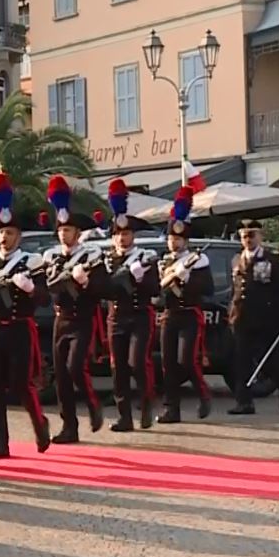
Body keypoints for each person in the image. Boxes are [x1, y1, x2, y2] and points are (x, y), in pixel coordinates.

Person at [0, 172, 50, 458]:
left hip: (21, 329)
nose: (4, 238)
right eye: (1, 233)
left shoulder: (30, 261)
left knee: (22, 385)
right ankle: (0, 441)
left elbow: (45, 298)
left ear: (19, 236)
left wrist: (31, 287)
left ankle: (39, 423)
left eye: (10, 233)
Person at [41, 177, 105, 444]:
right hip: (61, 320)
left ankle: (92, 404)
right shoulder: (52, 257)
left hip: (83, 320)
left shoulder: (90, 256)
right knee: (62, 376)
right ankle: (70, 426)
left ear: (78, 233)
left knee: (75, 367)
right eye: (61, 231)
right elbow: (45, 288)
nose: (63, 235)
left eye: (68, 231)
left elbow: (105, 287)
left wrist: (86, 281)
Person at [102, 179, 160, 431]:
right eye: (118, 235)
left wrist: (139, 278)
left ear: (133, 236)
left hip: (139, 316)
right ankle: (124, 415)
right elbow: (104, 291)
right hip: (117, 317)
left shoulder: (145, 258)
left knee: (137, 362)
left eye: (126, 234)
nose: (122, 239)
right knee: (118, 367)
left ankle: (146, 406)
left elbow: (155, 289)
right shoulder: (107, 261)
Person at [156, 187, 215, 423]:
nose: (174, 243)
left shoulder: (198, 261)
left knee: (187, 361)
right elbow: (159, 292)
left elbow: (207, 288)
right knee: (168, 364)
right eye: (171, 238)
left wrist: (187, 277)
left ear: (186, 240)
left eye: (178, 239)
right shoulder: (164, 261)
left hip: (190, 315)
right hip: (170, 315)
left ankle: (203, 394)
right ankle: (172, 409)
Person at [227, 219, 279, 415]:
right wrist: (231, 311)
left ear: (260, 237)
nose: (248, 239)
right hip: (242, 318)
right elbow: (236, 289)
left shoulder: (272, 260)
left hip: (267, 317)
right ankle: (244, 402)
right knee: (241, 360)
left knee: (271, 361)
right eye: (244, 236)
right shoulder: (237, 260)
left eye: (251, 235)